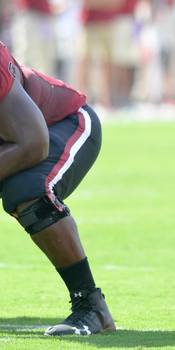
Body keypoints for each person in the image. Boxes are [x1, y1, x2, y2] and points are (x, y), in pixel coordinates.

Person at [0, 41, 114, 335]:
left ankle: (90, 304)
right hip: (17, 138)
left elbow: (33, 143)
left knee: (27, 192)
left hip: (63, 123)